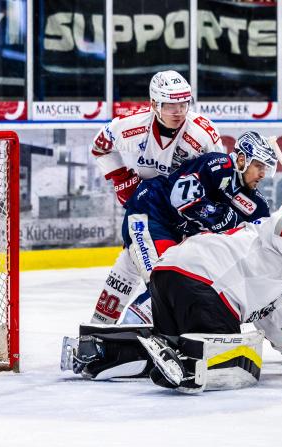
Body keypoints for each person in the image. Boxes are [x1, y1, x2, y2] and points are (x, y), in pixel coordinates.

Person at [61, 205, 282, 392]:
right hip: (204, 283)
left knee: (171, 342)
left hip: (167, 275)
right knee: (241, 365)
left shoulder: (278, 294)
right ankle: (187, 362)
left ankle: (98, 351)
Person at [89, 70, 224, 325]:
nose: (178, 111)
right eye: (170, 104)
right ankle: (98, 330)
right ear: (154, 104)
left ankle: (109, 331)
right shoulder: (130, 127)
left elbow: (219, 178)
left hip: (186, 216)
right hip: (148, 208)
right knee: (146, 272)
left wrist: (205, 216)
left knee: (155, 272)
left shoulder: (203, 134)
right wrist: (120, 178)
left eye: (183, 103)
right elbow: (99, 146)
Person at [115, 132, 275, 323]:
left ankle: (156, 338)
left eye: (265, 168)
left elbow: (268, 236)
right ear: (242, 160)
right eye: (258, 166)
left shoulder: (255, 203)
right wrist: (222, 217)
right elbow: (182, 197)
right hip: (151, 214)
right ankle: (127, 335)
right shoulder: (219, 165)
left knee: (177, 285)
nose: (263, 174)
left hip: (175, 233)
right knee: (163, 283)